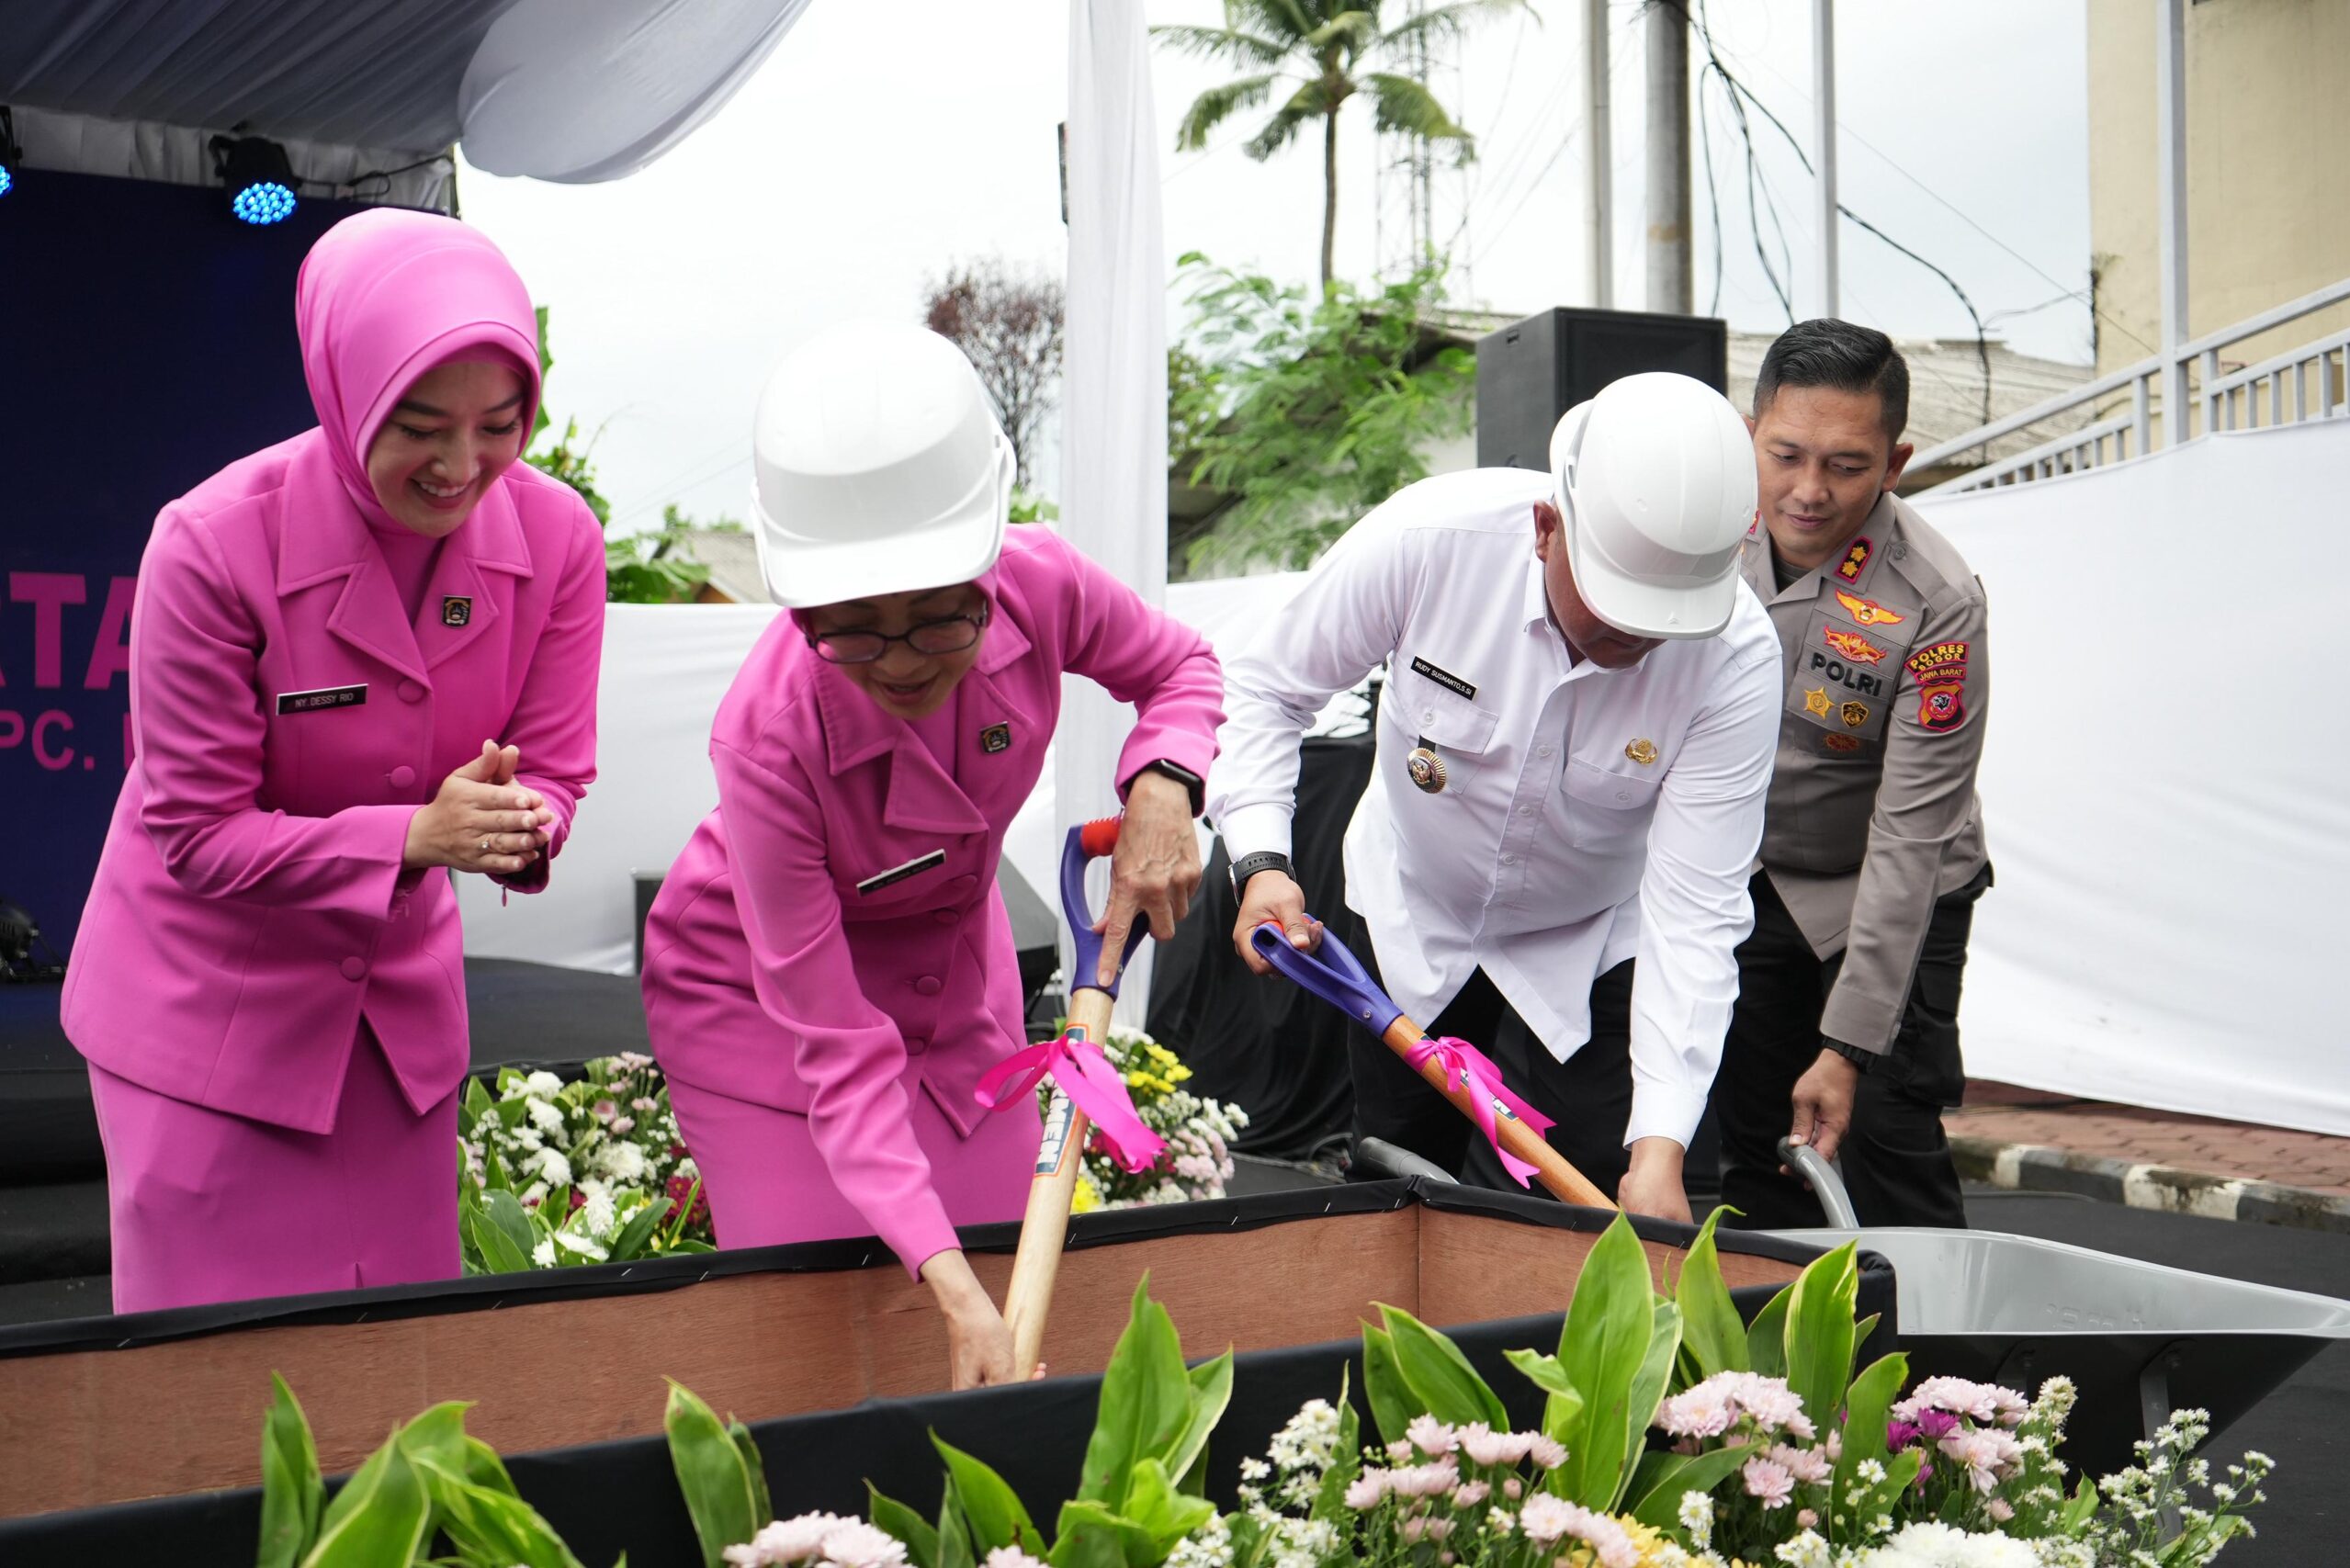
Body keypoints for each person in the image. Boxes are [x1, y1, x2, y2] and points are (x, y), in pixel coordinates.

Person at [639, 321, 1222, 1388]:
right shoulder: (766, 738)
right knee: (829, 1332)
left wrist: (1163, 782)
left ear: (985, 568)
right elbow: (833, 1045)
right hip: (762, 999)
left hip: (955, 969)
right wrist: (945, 1285)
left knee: (1019, 1292)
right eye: (853, 628)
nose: (901, 661)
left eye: (938, 621)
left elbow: (1178, 669)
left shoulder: (1039, 582)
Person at [62, 209, 606, 1313]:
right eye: (419, 426)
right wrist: (417, 836)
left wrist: (519, 824)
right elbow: (195, 831)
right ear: (342, 388)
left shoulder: (557, 541)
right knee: (214, 1398)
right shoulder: (213, 542)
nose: (463, 466)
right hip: (204, 1025)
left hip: (393, 1041)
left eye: (502, 425)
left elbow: (553, 770)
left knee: (395, 1386)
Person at [1211, 373, 1781, 1221]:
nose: (1633, 644)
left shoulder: (1736, 658)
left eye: (1661, 626)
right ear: (1548, 528)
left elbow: (1697, 909)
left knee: (1595, 1197)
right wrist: (1260, 859)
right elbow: (1267, 687)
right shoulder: (1430, 539)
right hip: (1412, 911)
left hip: (1589, 937)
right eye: (1615, 611)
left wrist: (1658, 1147)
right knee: (1394, 1183)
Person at [1713, 319, 1992, 1230]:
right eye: (1784, 453)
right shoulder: (1698, 531)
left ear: (1895, 461)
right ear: (1747, 430)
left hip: (1886, 882)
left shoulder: (1934, 597)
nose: (1807, 490)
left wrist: (1848, 1042)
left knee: (1876, 1129)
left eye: (1845, 464)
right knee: (1757, 1146)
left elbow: (1910, 837)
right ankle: (1759, 1372)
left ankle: (1952, 1373)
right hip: (1750, 876)